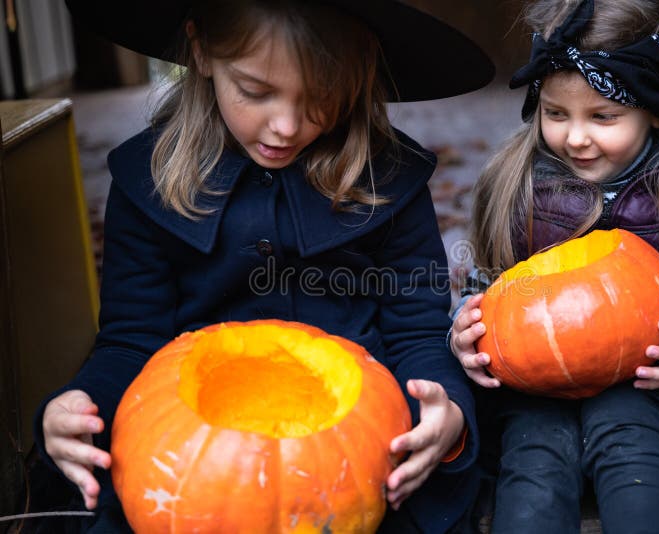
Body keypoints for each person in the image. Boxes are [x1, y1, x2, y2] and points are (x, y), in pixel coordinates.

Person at [35, 1, 495, 532]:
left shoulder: (391, 181)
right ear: (202, 51)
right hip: (189, 466)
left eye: (322, 96)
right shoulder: (147, 183)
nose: (286, 126)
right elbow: (130, 340)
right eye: (255, 91)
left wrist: (447, 411)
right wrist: (81, 405)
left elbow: (416, 331)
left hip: (362, 456)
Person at [449, 0, 659, 532]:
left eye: (603, 116)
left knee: (631, 445)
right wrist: (463, 331)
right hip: (537, 386)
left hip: (647, 388)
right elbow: (485, 290)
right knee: (533, 461)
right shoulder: (522, 186)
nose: (576, 136)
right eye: (556, 113)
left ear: (656, 106)